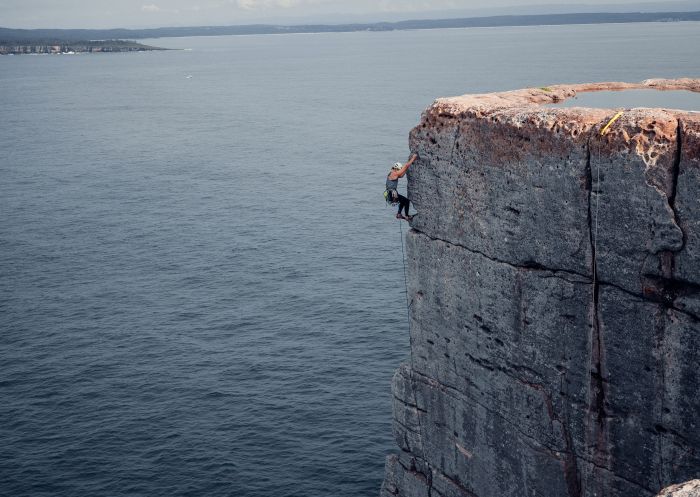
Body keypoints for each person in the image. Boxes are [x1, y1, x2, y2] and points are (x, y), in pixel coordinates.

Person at [386, 153, 417, 220]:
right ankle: (406, 216)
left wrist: (406, 169)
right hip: (392, 194)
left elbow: (401, 175)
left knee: (403, 201)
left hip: (390, 194)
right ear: (397, 168)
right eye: (399, 169)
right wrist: (413, 158)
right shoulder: (394, 173)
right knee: (406, 201)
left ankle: (399, 214)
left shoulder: (392, 173)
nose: (399, 170)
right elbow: (405, 166)